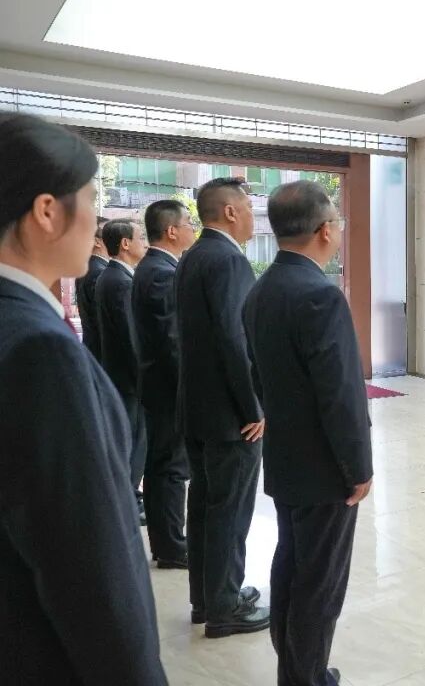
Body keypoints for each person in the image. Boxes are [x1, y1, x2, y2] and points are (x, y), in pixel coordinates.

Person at [0, 113, 167, 684]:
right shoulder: (39, 350)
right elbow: (90, 566)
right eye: (92, 199)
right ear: (47, 211)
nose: (97, 220)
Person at [243, 180, 373, 686]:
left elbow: (258, 376)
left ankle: (295, 669)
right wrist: (357, 468)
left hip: (285, 457)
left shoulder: (261, 290)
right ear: (323, 230)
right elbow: (340, 394)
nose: (339, 231)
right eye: (337, 222)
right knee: (320, 581)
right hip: (324, 469)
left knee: (292, 565)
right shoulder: (320, 295)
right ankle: (307, 677)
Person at [175, 176, 269, 637]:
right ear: (230, 212)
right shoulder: (229, 260)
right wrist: (253, 408)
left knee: (205, 507)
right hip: (231, 416)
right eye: (249, 207)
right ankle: (225, 607)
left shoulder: (192, 256)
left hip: (197, 408)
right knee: (230, 510)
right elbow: (234, 342)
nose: (253, 216)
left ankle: (207, 598)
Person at [134, 199, 196, 568]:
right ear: (172, 231)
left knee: (162, 466)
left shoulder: (153, 267)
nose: (192, 229)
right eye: (189, 222)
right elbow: (171, 341)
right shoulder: (162, 273)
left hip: (156, 385)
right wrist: (188, 388)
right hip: (167, 388)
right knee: (170, 468)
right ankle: (172, 546)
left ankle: (166, 543)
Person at [96, 217, 149, 520]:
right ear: (126, 244)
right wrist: (145, 378)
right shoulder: (120, 282)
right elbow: (131, 338)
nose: (145, 244)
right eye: (141, 238)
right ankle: (127, 503)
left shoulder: (112, 276)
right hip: (129, 380)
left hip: (120, 376)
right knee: (133, 444)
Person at [74, 215, 108, 360]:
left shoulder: (90, 267)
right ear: (97, 241)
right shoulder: (99, 271)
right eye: (109, 233)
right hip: (101, 352)